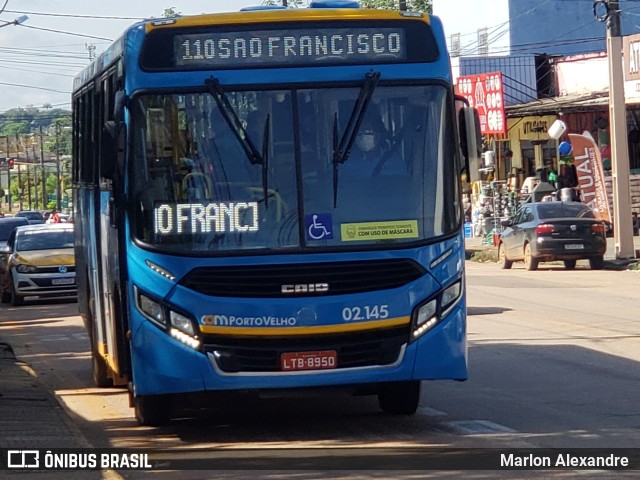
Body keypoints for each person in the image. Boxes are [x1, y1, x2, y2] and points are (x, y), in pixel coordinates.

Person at [340, 118, 407, 177]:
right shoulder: (347, 163)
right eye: (359, 133)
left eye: (367, 132)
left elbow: (403, 185)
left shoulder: (394, 160)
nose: (363, 137)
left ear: (378, 136)